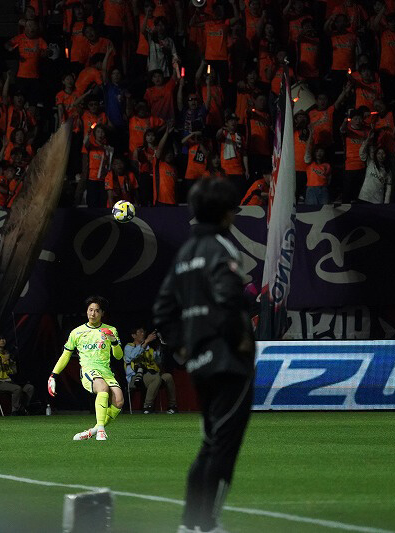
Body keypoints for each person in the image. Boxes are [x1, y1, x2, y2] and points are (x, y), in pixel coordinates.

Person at [153, 178, 256, 533]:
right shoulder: (222, 247)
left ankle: (190, 524)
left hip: (199, 363)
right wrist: (239, 340)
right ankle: (208, 525)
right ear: (226, 214)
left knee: (211, 443)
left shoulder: (185, 253)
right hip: (229, 362)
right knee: (224, 447)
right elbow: (229, 298)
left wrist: (185, 347)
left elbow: (163, 309)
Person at [47, 296, 124, 441]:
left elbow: (119, 356)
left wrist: (113, 341)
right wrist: (53, 375)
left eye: (97, 311)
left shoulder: (110, 330)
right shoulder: (77, 332)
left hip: (106, 371)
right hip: (89, 371)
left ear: (102, 313)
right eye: (90, 310)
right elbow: (65, 355)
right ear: (87, 311)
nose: (93, 314)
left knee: (119, 401)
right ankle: (101, 431)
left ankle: (93, 430)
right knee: (102, 387)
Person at [124, 327, 178, 414]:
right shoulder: (129, 347)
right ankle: (147, 406)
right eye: (140, 332)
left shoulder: (149, 349)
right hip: (135, 377)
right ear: (134, 335)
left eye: (143, 332)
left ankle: (172, 406)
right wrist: (146, 341)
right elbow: (133, 356)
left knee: (168, 377)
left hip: (151, 374)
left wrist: (162, 347)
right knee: (156, 378)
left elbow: (159, 361)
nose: (143, 334)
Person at [0, 335, 34, 415]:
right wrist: (2, 362)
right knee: (17, 389)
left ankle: (22, 408)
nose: (2, 340)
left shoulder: (7, 353)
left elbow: (14, 371)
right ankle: (15, 411)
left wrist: (11, 362)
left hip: (10, 380)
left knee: (29, 388)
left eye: (3, 338)